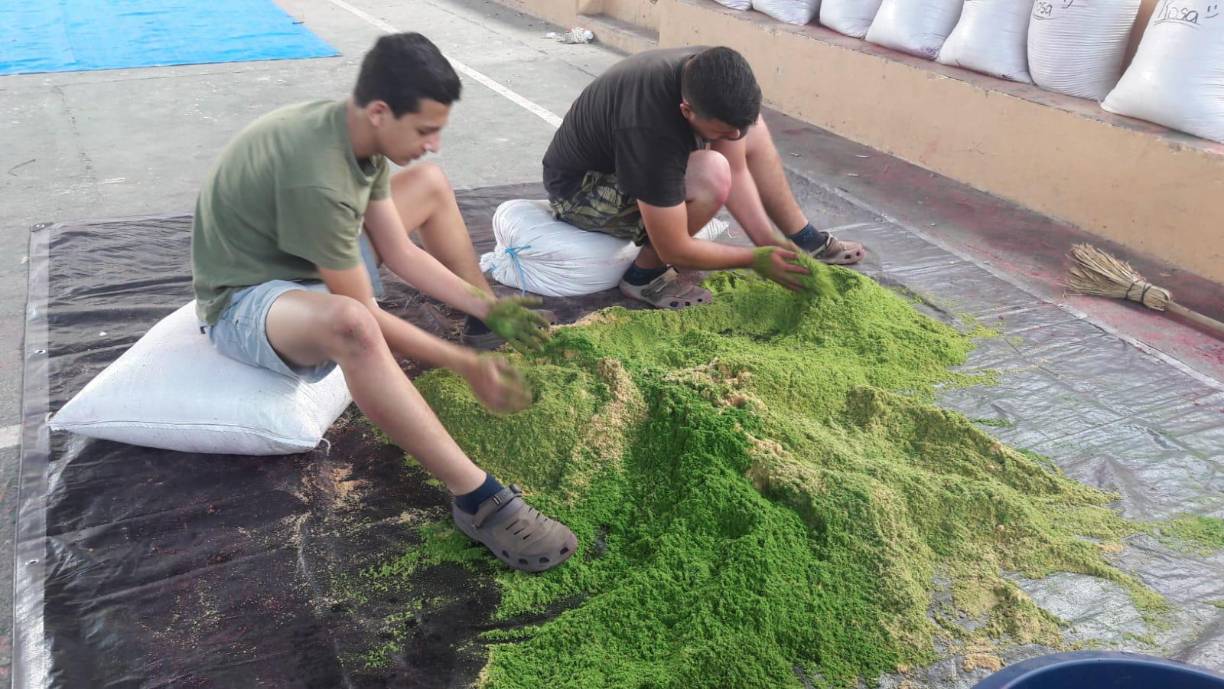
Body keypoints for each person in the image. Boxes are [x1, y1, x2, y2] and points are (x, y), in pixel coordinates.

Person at [191, 32, 576, 573]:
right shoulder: (317, 176)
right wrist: (464, 365)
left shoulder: (358, 141)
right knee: (352, 325)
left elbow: (399, 251)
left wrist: (489, 308)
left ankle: (483, 319)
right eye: (424, 130)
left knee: (430, 182)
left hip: (307, 259)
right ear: (379, 111)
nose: (433, 142)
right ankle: (477, 498)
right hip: (248, 299)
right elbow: (364, 313)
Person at [542, 46, 865, 309]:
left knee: (751, 130)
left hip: (635, 159)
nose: (734, 138)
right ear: (686, 111)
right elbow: (674, 248)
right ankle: (644, 277)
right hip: (580, 192)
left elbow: (736, 168)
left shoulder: (712, 73)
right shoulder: (650, 128)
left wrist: (768, 242)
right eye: (723, 132)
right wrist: (755, 259)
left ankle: (805, 239)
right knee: (710, 174)